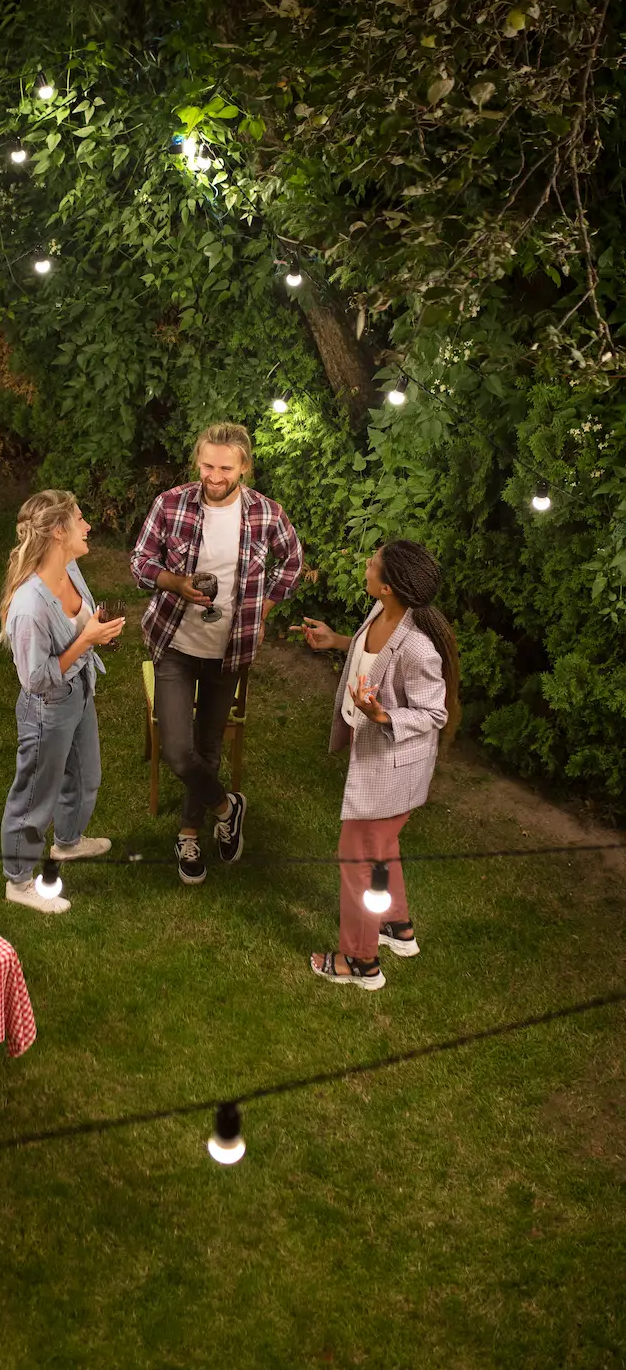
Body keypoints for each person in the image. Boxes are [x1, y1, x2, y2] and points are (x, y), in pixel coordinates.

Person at [130, 422, 303, 885]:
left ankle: (190, 833)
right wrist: (175, 583)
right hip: (175, 644)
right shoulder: (171, 503)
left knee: (207, 746)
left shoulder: (267, 515)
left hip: (231, 650)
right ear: (197, 460)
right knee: (180, 752)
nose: (215, 475)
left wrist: (264, 607)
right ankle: (228, 806)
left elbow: (293, 561)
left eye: (226, 467)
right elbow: (140, 562)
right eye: (207, 464)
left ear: (244, 466)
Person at [295, 538, 460, 990]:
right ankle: (396, 927)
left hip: (391, 771)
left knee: (358, 862)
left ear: (387, 586)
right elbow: (372, 654)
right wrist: (336, 642)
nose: (366, 566)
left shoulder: (419, 646)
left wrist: (382, 715)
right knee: (381, 851)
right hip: (376, 761)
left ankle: (360, 961)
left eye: (372, 564)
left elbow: (433, 713)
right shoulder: (384, 614)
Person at [0, 491, 126, 914]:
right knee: (36, 794)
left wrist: (96, 631)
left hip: (79, 692)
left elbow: (81, 626)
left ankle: (68, 842)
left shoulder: (70, 567)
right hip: (46, 709)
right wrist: (88, 638)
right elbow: (34, 679)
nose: (87, 526)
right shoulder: (29, 606)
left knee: (86, 775)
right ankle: (18, 881)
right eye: (80, 518)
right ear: (58, 532)